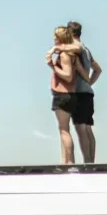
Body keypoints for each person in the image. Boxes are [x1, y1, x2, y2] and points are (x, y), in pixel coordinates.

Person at [53, 21, 102, 163]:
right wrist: (90, 82)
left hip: (78, 92)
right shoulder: (86, 50)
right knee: (87, 128)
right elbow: (98, 69)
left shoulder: (75, 48)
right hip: (87, 92)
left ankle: (87, 162)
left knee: (81, 128)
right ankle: (91, 161)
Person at [46, 26, 88, 164]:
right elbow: (83, 74)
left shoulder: (64, 56)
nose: (53, 38)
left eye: (55, 36)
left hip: (63, 95)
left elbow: (68, 76)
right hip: (71, 95)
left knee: (64, 130)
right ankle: (66, 161)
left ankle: (69, 162)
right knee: (65, 129)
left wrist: (52, 66)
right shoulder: (72, 55)